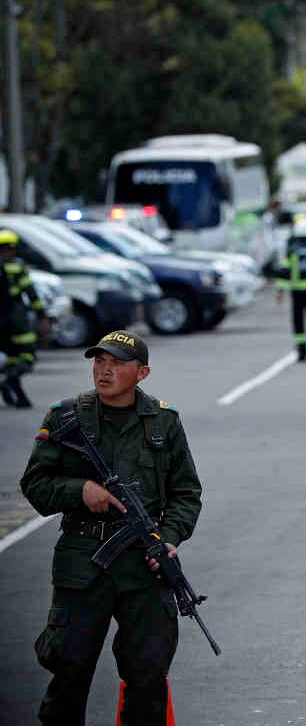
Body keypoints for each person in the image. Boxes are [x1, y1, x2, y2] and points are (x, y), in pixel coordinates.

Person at [20, 329, 203, 725]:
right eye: (99, 362)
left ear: (142, 373)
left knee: (148, 672)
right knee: (69, 670)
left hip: (143, 563)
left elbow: (186, 494)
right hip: (83, 561)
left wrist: (169, 540)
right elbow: (35, 485)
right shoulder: (65, 417)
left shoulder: (163, 422)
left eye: (117, 364)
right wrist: (79, 490)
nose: (104, 371)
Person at [1, 228, 46, 407]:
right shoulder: (17, 267)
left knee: (11, 355)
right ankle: (8, 381)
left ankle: (18, 396)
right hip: (16, 318)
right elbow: (31, 293)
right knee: (27, 354)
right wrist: (42, 316)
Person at [274, 217, 306, 362]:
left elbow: (284, 271)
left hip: (298, 290)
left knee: (299, 320)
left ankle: (302, 352)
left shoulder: (292, 250)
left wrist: (280, 291)